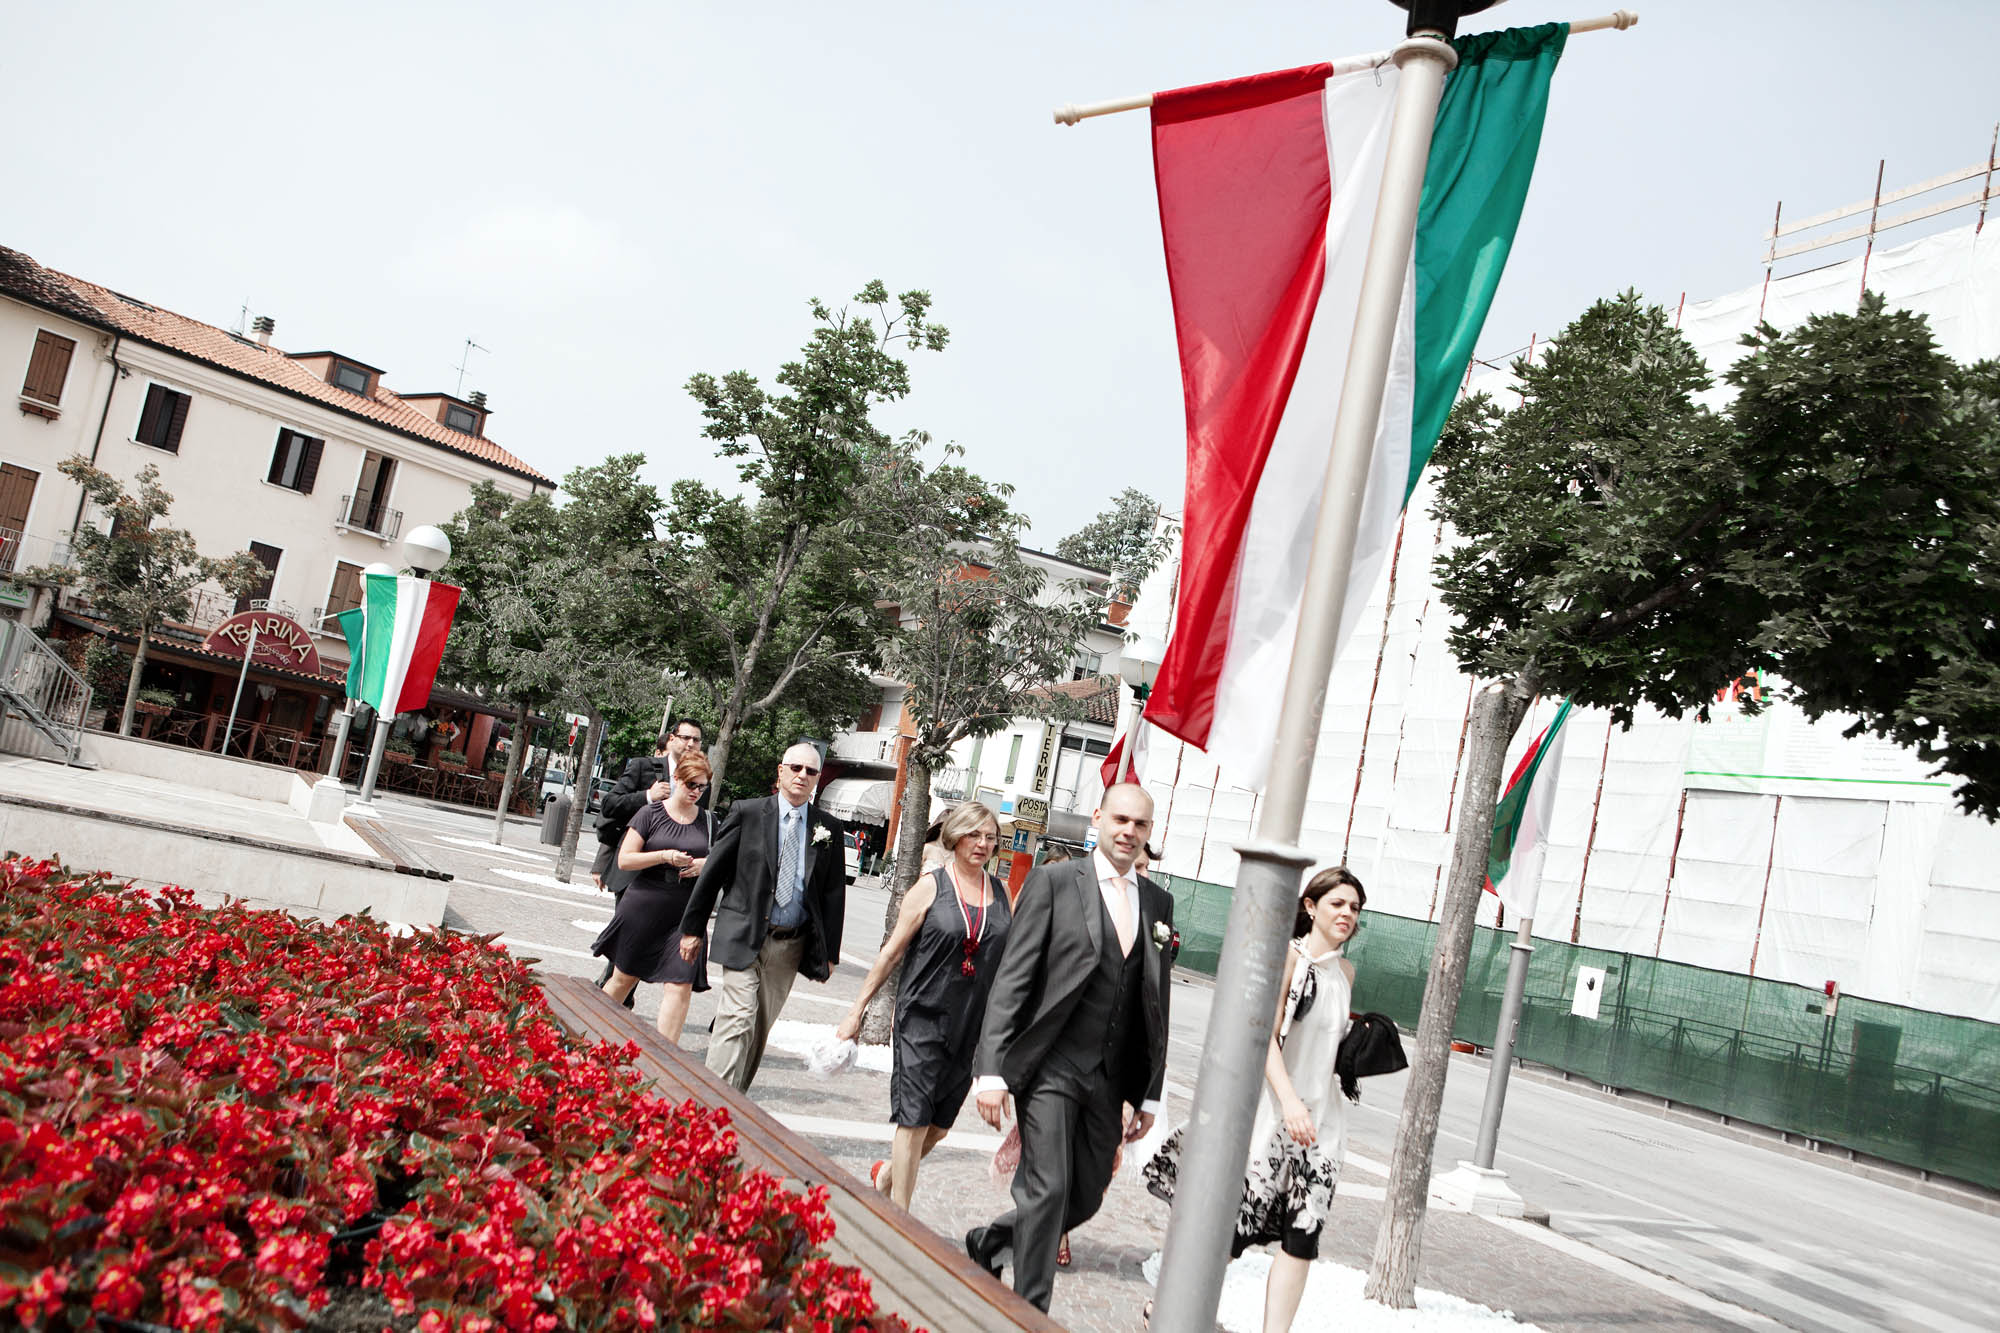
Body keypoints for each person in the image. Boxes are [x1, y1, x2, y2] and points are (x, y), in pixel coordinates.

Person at [963, 783, 1174, 1313]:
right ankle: (1028, 1314)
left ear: (1150, 833)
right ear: (1098, 819)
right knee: (1048, 1187)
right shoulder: (1056, 881)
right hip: (1052, 1063)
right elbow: (1013, 977)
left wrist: (1149, 1094)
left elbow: (1156, 1002)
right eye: (1120, 820)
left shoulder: (1157, 902)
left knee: (1083, 1194)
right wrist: (990, 1071)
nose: (1129, 832)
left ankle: (992, 1241)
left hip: (1109, 1076)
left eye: (1140, 825)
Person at [1144, 866, 1364, 1333]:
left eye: (1354, 908)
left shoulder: (1345, 971)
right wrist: (1289, 1102)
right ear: (1311, 907)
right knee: (1234, 1229)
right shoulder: (1287, 960)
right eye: (1338, 904)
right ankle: (1167, 1308)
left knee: (1302, 1236)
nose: (1347, 914)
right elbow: (1263, 1036)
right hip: (1273, 1115)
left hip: (1322, 1126)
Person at [834, 802, 1010, 1209]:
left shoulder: (1002, 894)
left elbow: (1010, 963)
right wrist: (855, 1010)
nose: (982, 844)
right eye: (973, 835)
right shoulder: (930, 886)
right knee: (912, 1120)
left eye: (989, 837)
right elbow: (891, 954)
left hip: (971, 1025)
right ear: (955, 836)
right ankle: (901, 1222)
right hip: (922, 1018)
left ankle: (885, 1179)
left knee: (939, 1127)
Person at [679, 742, 847, 1093]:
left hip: (790, 945)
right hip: (744, 931)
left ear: (817, 779)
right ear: (781, 771)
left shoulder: (828, 828)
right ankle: (709, 1103)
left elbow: (833, 895)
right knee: (736, 1018)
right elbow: (713, 873)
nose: (802, 776)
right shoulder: (748, 813)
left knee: (757, 1028)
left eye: (811, 771)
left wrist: (830, 953)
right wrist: (692, 929)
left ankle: (733, 1104)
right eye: (796, 768)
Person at [591, 753, 717, 1043]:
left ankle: (665, 1059)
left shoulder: (710, 822)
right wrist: (663, 856)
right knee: (623, 978)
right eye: (690, 784)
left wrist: (703, 865)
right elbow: (625, 860)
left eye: (702, 787)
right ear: (675, 779)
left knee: (680, 984)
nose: (696, 792)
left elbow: (722, 861)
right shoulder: (650, 814)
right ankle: (588, 1038)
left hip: (686, 912)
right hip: (644, 904)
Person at [593, 719, 706, 896]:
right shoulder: (643, 766)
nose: (691, 744)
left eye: (696, 740)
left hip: (677, 878)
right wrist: (647, 796)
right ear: (672, 738)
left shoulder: (703, 780)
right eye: (685, 737)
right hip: (635, 871)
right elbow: (609, 805)